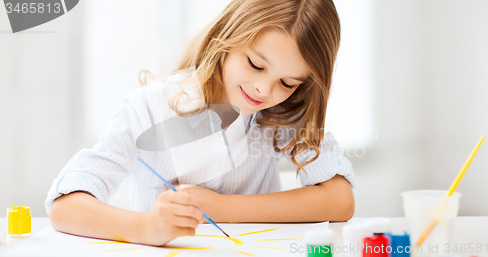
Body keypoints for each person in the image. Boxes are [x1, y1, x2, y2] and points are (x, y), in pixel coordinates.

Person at [47, 0, 356, 247]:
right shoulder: (149, 106)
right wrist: (146, 227)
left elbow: (339, 199)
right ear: (228, 37)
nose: (264, 90)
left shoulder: (286, 111)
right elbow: (65, 206)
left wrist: (221, 207)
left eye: (287, 82)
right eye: (255, 65)